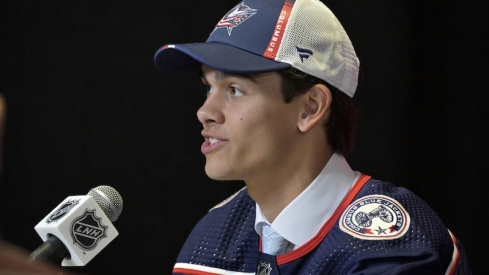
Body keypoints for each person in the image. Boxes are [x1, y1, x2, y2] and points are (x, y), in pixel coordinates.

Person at [154, 0, 471, 274]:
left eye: (235, 90)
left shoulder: (390, 245)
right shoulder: (211, 238)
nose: (205, 111)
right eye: (208, 87)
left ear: (310, 107)